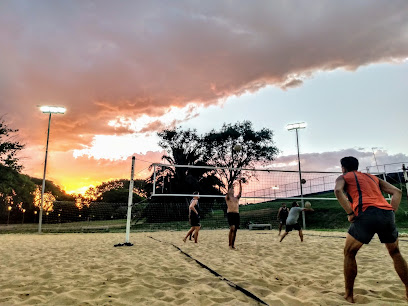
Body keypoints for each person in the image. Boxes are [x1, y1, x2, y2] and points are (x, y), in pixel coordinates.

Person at [334, 156, 407, 303]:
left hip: (366, 213)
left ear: (343, 167)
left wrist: (349, 213)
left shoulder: (343, 177)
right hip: (386, 213)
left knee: (349, 253)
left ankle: (349, 295)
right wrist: (391, 213)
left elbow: (337, 191)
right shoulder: (372, 177)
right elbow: (397, 192)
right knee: (395, 252)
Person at [225, 179, 242, 249]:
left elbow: (240, 192)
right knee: (232, 228)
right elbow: (228, 193)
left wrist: (240, 184)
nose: (232, 190)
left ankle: (232, 244)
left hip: (236, 214)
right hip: (230, 214)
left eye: (233, 190)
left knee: (235, 230)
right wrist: (230, 186)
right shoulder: (228, 198)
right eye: (231, 190)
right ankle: (229, 244)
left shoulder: (236, 198)